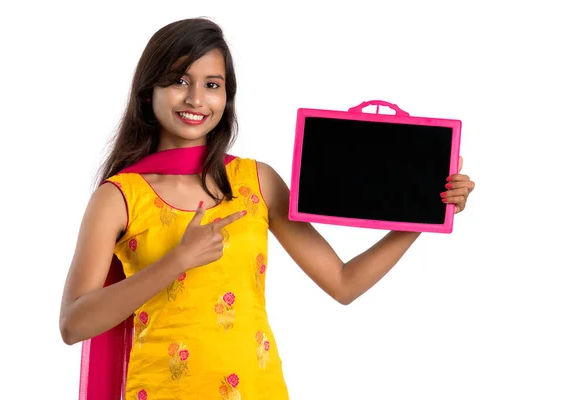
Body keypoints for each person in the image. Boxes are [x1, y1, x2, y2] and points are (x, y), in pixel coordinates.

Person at [59, 17, 475, 400]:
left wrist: (424, 214)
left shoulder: (255, 181)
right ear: (148, 91)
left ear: (227, 96)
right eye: (179, 80)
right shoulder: (119, 196)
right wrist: (178, 260)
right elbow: (74, 324)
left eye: (212, 84)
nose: (195, 98)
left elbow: (343, 283)